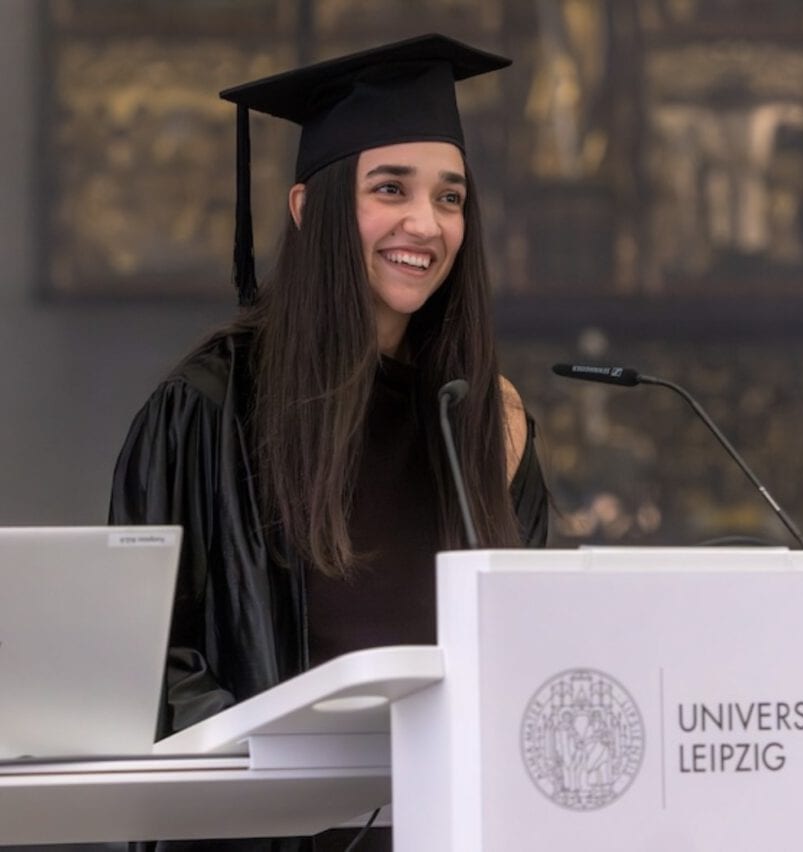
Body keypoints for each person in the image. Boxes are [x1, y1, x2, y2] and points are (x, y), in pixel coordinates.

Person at [109, 34, 549, 851]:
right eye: (391, 188)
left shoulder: (485, 417)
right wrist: (292, 781)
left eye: (450, 198)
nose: (426, 223)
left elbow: (544, 645)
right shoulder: (208, 413)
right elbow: (144, 666)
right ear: (308, 207)